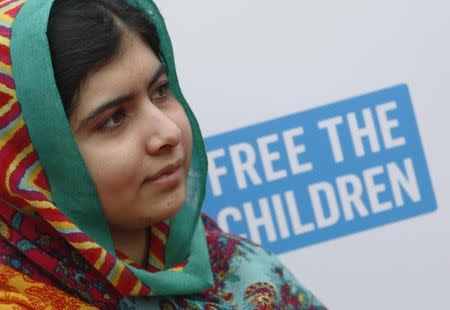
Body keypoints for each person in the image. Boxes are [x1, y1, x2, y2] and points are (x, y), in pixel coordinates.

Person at [0, 0, 327, 308]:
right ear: (31, 166)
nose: (168, 133)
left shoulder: (236, 266)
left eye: (160, 91)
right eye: (114, 119)